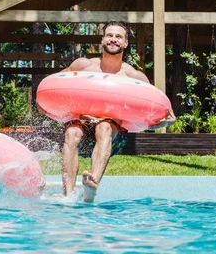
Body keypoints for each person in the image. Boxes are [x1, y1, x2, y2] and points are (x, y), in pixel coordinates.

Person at [60, 21, 150, 203]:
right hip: (83, 127)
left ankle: (91, 185)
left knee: (104, 127)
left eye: (119, 37)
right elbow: (57, 85)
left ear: (125, 43)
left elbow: (153, 105)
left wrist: (164, 118)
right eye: (109, 35)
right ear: (102, 40)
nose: (113, 40)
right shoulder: (83, 66)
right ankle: (68, 195)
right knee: (71, 131)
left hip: (112, 134)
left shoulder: (133, 76)